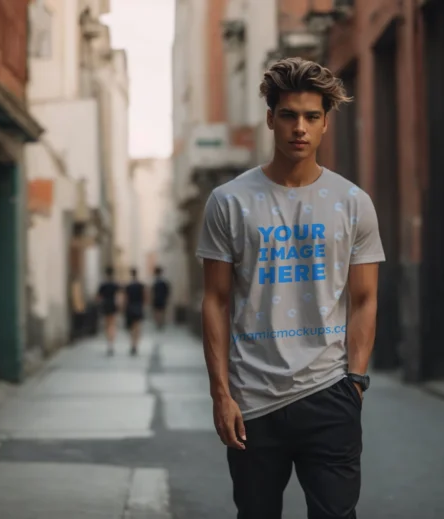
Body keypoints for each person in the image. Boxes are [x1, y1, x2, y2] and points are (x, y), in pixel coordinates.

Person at [196, 57, 385, 519]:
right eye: (288, 115)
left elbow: (364, 299)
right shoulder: (229, 202)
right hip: (252, 401)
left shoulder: (353, 203)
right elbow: (216, 301)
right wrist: (222, 395)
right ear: (270, 118)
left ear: (325, 123)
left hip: (330, 392)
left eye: (311, 117)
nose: (299, 128)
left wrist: (355, 382)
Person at [96, 267, 120, 356]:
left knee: (107, 324)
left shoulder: (103, 285)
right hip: (112, 305)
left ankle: (109, 342)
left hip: (105, 305)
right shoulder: (115, 284)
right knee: (112, 324)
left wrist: (99, 304)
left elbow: (98, 297)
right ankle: (111, 342)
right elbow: (118, 296)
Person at [124, 267, 146, 356]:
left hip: (130, 307)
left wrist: (124, 308)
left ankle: (133, 343)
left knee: (132, 327)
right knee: (137, 327)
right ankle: (135, 344)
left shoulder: (128, 286)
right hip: (138, 306)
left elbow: (125, 298)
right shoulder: (141, 285)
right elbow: (145, 296)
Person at [151, 266, 171, 330]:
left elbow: (152, 291)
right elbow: (167, 291)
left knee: (157, 312)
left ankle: (158, 323)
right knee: (162, 311)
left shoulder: (155, 282)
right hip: (162, 298)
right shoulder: (164, 281)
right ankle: (161, 323)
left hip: (156, 298)